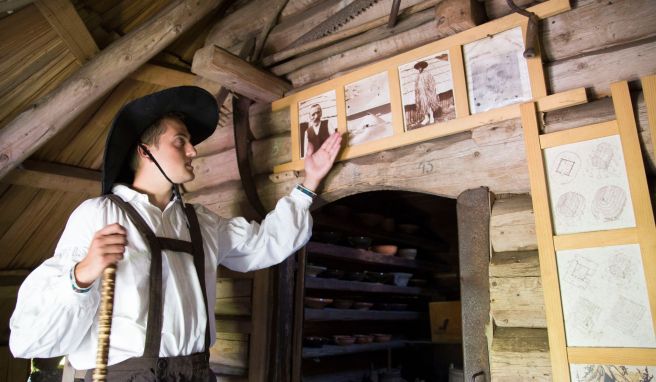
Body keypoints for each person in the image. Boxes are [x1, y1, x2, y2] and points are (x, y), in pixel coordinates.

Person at [9, 86, 342, 381]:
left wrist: (308, 183)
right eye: (180, 141)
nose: (193, 151)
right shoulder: (100, 214)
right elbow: (28, 339)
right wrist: (81, 275)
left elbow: (264, 244)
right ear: (144, 151)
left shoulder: (201, 223)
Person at [413, 61, 439, 128]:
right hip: (421, 94)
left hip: (426, 93)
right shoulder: (417, 76)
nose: (419, 68)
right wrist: (417, 93)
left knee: (428, 104)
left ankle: (432, 117)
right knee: (422, 106)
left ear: (423, 67)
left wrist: (429, 90)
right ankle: (426, 118)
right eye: (418, 67)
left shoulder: (427, 74)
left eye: (420, 67)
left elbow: (432, 82)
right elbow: (416, 86)